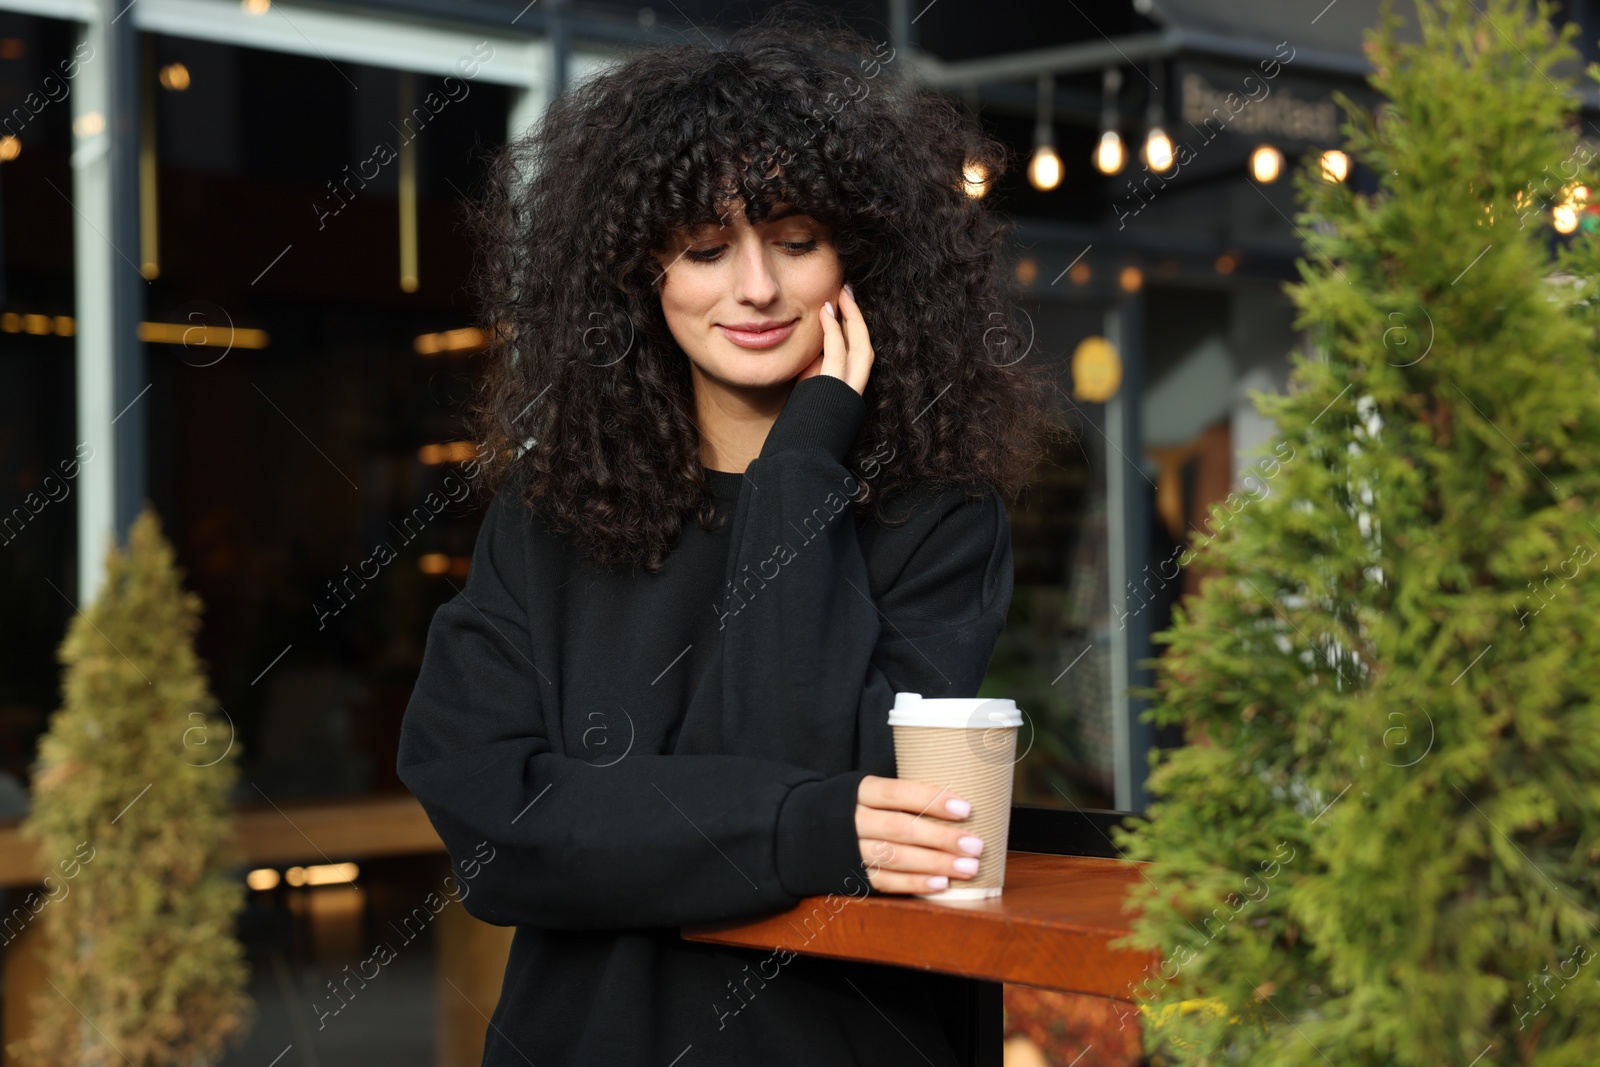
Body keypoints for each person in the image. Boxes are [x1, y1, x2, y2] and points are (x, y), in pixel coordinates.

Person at [396, 8, 1058, 1064]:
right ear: (640, 273)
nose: (755, 286)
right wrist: (799, 828)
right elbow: (492, 825)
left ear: (859, 256)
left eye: (795, 241)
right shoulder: (551, 513)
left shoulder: (934, 514)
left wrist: (803, 463)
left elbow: (860, 786)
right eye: (706, 247)